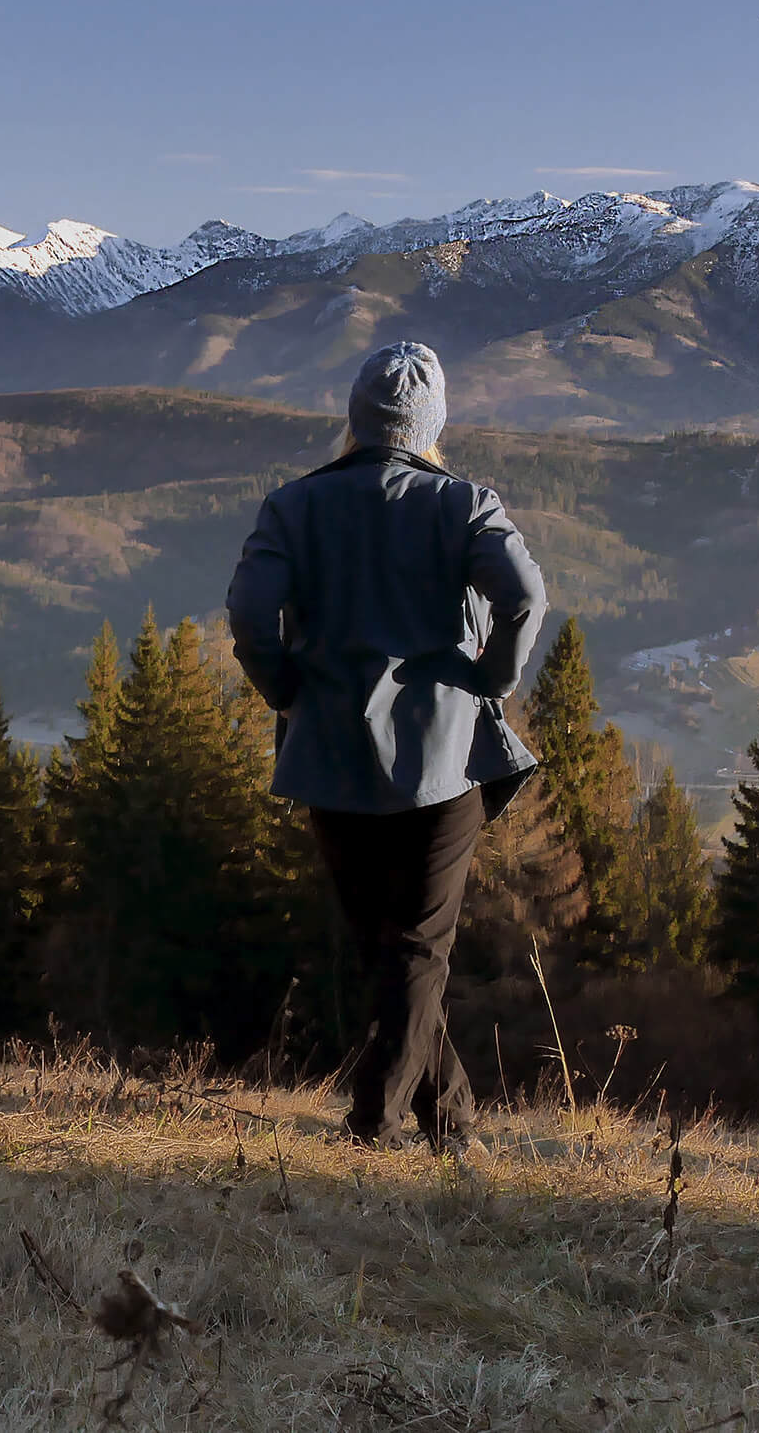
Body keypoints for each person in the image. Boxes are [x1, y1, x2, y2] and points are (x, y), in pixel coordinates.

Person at [226, 341, 546, 1151]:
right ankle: (375, 1124)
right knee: (415, 950)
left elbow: (250, 614)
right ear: (430, 427)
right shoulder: (463, 504)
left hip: (330, 759)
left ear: (355, 418)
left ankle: (452, 1128)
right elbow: (524, 596)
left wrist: (287, 692)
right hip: (446, 758)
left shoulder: (294, 506)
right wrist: (489, 681)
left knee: (389, 951)